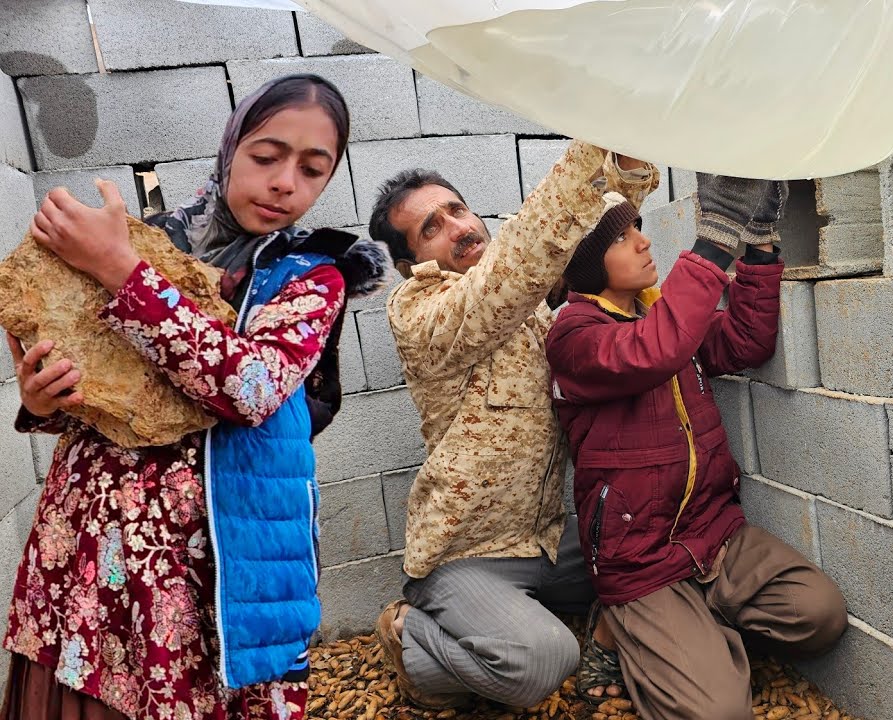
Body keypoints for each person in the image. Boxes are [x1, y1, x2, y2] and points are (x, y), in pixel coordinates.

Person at [1, 74, 389, 720]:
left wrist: (121, 272)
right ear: (230, 147)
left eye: (312, 169)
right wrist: (45, 403)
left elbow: (250, 387)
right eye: (267, 156)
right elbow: (96, 395)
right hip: (87, 546)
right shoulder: (150, 243)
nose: (285, 182)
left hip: (198, 570)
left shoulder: (310, 277)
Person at [365, 141, 659, 709]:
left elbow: (587, 238)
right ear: (413, 263)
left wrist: (624, 161)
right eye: (431, 228)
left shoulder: (533, 301)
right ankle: (411, 633)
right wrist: (587, 146)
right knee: (544, 662)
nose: (457, 226)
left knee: (653, 559)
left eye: (457, 209)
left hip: (547, 541)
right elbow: (515, 269)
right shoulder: (419, 311)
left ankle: (505, 621)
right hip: (466, 553)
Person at [544, 176, 848, 720]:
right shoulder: (574, 335)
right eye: (620, 238)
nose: (642, 242)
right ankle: (617, 630)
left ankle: (691, 627)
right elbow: (653, 352)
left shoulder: (656, 314)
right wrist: (713, 235)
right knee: (718, 714)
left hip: (713, 535)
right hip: (640, 558)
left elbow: (746, 342)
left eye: (639, 227)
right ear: (587, 263)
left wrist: (758, 239)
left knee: (819, 615)